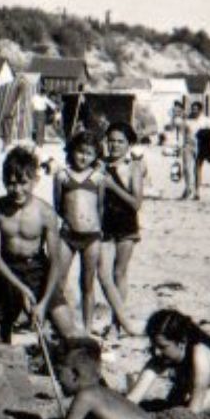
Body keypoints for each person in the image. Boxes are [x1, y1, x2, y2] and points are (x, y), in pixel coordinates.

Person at [0, 146, 76, 345]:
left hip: (37, 270)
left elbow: (55, 262)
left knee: (68, 331)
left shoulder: (45, 212)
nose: (17, 190)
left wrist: (43, 303)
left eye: (23, 183)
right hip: (5, 271)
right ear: (4, 182)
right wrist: (22, 290)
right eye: (11, 184)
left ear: (35, 180)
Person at [53, 132, 134, 335]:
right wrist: (71, 222)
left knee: (87, 283)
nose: (83, 157)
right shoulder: (62, 175)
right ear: (71, 151)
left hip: (92, 237)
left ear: (95, 155)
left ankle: (87, 328)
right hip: (67, 234)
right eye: (80, 152)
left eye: (89, 154)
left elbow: (99, 207)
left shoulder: (98, 177)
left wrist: (92, 227)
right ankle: (61, 325)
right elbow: (58, 205)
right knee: (59, 281)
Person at [46, 339, 169, 419]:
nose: (57, 380)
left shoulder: (86, 396)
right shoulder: (105, 394)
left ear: (74, 374)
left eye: (58, 373)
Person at [127, 308, 210, 411]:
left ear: (181, 343)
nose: (157, 352)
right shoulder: (162, 356)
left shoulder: (199, 352)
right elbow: (132, 399)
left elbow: (195, 404)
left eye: (163, 347)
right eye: (154, 346)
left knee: (192, 407)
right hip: (193, 382)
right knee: (172, 406)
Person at [98, 122, 145, 307]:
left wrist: (113, 186)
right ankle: (117, 314)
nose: (115, 145)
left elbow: (136, 203)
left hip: (126, 224)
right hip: (103, 224)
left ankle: (117, 321)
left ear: (129, 144)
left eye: (120, 141)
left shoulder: (134, 168)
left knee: (119, 273)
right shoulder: (99, 164)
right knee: (102, 274)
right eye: (111, 141)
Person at [171, 102, 196, 200]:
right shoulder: (178, 120)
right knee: (186, 168)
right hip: (186, 145)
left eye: (177, 110)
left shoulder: (188, 118)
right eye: (174, 111)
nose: (176, 112)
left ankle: (192, 188)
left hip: (195, 144)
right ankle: (188, 188)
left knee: (193, 168)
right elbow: (175, 129)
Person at [191, 103, 210, 195]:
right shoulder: (189, 120)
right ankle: (191, 188)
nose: (194, 111)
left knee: (197, 167)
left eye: (196, 109)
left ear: (200, 110)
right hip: (190, 146)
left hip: (200, 146)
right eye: (193, 109)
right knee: (190, 168)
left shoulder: (206, 121)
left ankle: (197, 190)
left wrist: (202, 135)